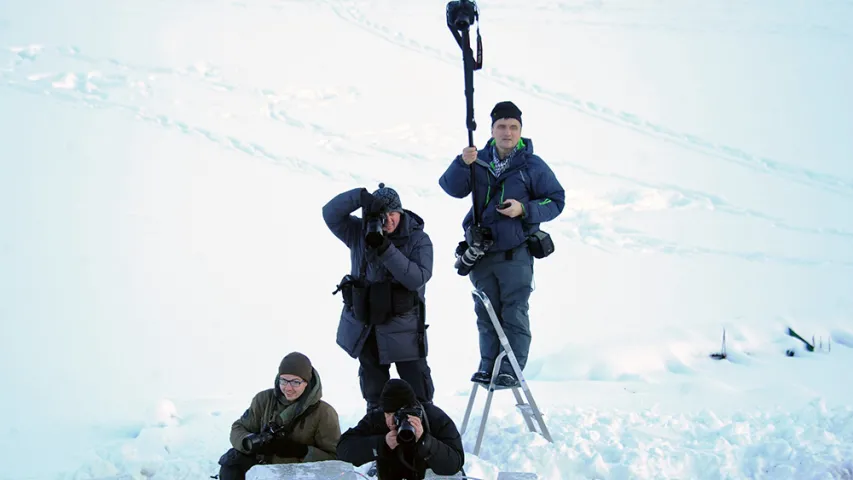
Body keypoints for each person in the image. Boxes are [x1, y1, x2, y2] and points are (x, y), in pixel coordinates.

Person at [439, 100, 566, 388]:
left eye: (513, 127)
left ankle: (510, 368)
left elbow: (556, 200)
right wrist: (462, 163)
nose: (507, 132)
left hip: (515, 254)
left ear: (521, 130)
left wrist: (524, 209)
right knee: (486, 314)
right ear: (492, 129)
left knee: (514, 312)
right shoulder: (478, 159)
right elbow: (451, 188)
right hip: (481, 253)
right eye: (501, 126)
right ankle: (488, 366)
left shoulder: (532, 166)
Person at [323, 184, 435, 413]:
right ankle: (377, 432)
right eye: (382, 215)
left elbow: (417, 278)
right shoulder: (358, 232)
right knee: (374, 393)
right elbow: (330, 213)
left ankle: (427, 431)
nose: (388, 220)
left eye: (393, 214)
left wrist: (385, 248)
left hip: (404, 329)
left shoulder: (418, 239)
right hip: (367, 326)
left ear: (401, 213)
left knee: (418, 392)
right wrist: (360, 197)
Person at [216, 352, 341, 480]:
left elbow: (335, 460)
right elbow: (238, 427)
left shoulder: (324, 413)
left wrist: (301, 451)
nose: (288, 388)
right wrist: (249, 443)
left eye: (295, 382)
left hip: (297, 474)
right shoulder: (263, 400)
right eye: (284, 380)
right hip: (261, 469)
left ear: (307, 382)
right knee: (230, 469)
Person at [336, 378, 465, 480]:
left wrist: (425, 442)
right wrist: (381, 444)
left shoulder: (435, 419)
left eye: (396, 415)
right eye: (387, 414)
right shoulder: (377, 420)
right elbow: (343, 449)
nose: (391, 422)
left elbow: (455, 464)